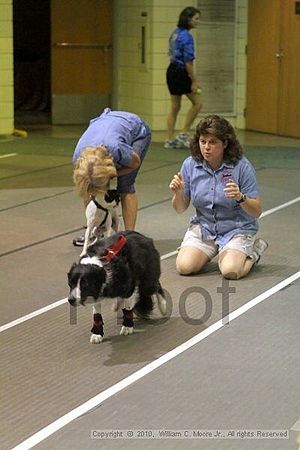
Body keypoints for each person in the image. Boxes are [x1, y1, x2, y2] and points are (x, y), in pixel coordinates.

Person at [169, 115, 268, 279]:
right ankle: (214, 250)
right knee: (184, 267)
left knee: (230, 272)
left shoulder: (242, 167)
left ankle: (254, 251)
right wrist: (178, 193)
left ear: (225, 143)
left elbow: (256, 211)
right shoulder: (190, 165)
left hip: (236, 228)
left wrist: (240, 197)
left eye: (213, 142)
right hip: (204, 227)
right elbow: (180, 208)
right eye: (203, 141)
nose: (206, 147)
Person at [72, 108, 151, 246]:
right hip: (107, 123)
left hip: (136, 129)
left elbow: (134, 163)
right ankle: (94, 230)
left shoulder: (116, 148)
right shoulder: (78, 158)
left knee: (126, 185)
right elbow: (87, 188)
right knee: (88, 188)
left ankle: (129, 238)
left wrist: (114, 174)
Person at [165, 6, 202, 149]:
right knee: (198, 103)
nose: (198, 22)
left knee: (175, 107)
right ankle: (184, 133)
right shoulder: (187, 36)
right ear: (188, 19)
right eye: (196, 19)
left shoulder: (175, 33)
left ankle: (169, 139)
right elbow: (188, 61)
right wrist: (194, 81)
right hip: (181, 71)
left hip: (171, 71)